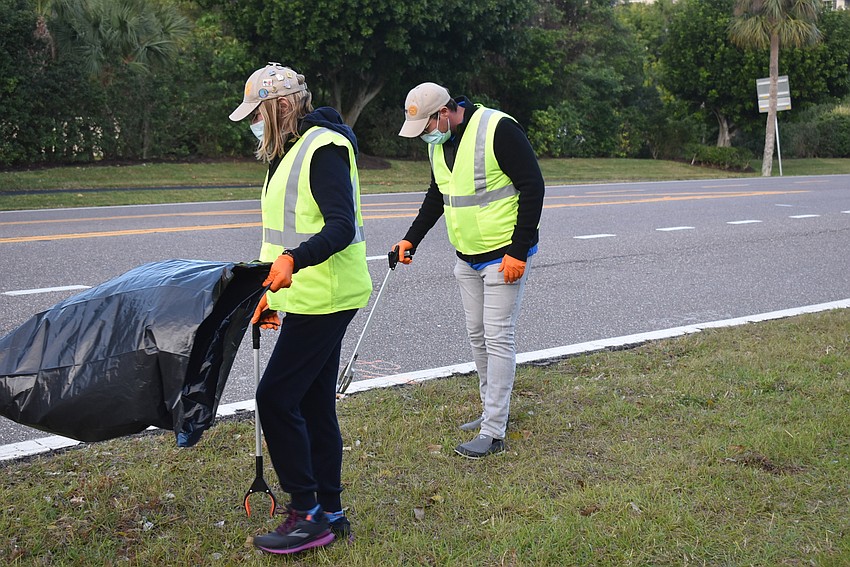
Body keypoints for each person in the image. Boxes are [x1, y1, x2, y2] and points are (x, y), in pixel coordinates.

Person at [228, 62, 372, 554]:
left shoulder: (323, 148)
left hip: (327, 294)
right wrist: (268, 292)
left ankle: (307, 513)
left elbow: (339, 227)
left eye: (258, 112)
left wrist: (293, 260)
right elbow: (281, 235)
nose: (254, 122)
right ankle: (330, 511)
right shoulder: (288, 150)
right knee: (312, 402)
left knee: (275, 398)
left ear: (284, 106)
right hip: (306, 293)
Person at [392, 82, 544, 459]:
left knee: (498, 337)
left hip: (503, 257)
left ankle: (494, 431)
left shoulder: (498, 129)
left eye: (426, 128)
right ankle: (489, 410)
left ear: (443, 113)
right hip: (467, 257)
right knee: (477, 336)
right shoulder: (440, 145)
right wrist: (411, 239)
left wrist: (519, 251)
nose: (425, 137)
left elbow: (533, 186)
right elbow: (436, 196)